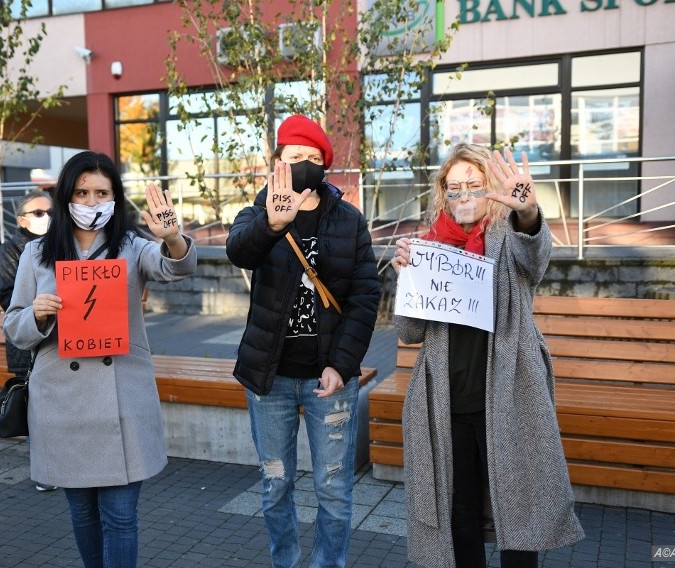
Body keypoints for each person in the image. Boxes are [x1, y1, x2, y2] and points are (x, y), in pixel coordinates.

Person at [390, 144, 584, 568]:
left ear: (490, 190)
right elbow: (409, 333)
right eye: (454, 187)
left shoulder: (507, 237)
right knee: (458, 515)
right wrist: (405, 282)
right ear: (443, 192)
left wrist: (529, 213)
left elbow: (536, 256)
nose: (464, 195)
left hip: (506, 398)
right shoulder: (428, 247)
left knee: (518, 511)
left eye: (474, 186)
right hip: (447, 402)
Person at [3, 151, 197, 568]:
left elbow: (175, 267)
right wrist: (37, 313)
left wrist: (173, 236)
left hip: (122, 398)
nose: (91, 203)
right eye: (82, 193)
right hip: (63, 401)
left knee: (121, 518)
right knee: (82, 513)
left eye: (102, 193)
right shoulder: (38, 253)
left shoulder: (131, 245)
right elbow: (13, 326)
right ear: (65, 198)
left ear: (115, 196)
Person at [226, 114, 381, 568]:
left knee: (333, 487)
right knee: (276, 485)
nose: (305, 165)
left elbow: (365, 294)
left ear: (326, 167)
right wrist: (273, 223)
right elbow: (239, 250)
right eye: (295, 157)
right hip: (269, 377)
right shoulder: (257, 213)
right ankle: (287, 563)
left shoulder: (349, 220)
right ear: (277, 162)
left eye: (314, 159)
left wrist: (343, 363)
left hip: (328, 377)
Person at [0, 189, 57, 492]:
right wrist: (39, 308)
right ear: (22, 219)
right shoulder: (12, 249)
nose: (47, 218)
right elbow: (8, 297)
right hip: (28, 340)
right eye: (39, 213)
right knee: (38, 409)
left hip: (56, 339)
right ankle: (44, 470)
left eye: (51, 212)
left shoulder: (59, 244)